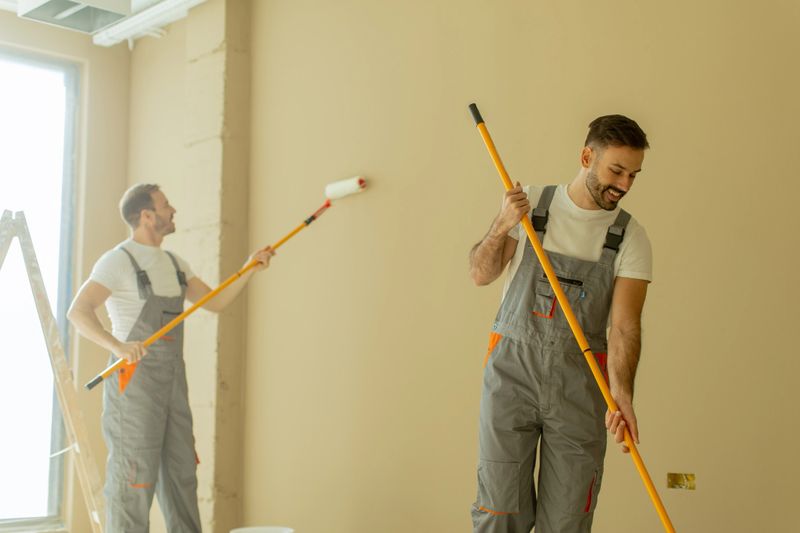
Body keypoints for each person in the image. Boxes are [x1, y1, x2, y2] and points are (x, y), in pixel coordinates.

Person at [468, 115, 652, 532]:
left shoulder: (630, 237)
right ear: (587, 157)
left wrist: (622, 395)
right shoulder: (532, 205)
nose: (624, 185)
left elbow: (625, 327)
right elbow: (480, 274)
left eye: (633, 175)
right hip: (511, 379)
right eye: (616, 171)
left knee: (569, 518)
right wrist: (501, 225)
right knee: (500, 512)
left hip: (580, 390)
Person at [67, 183, 274, 532]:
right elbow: (78, 311)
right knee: (134, 480)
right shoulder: (118, 260)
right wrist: (117, 346)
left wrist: (249, 268)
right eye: (165, 205)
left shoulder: (176, 265)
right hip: (134, 386)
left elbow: (216, 302)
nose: (173, 210)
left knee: (181, 475)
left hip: (173, 385)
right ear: (147, 216)